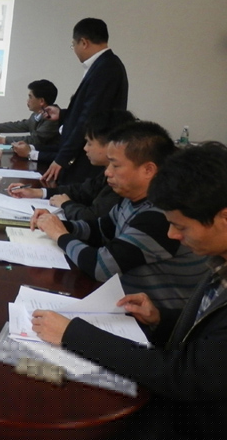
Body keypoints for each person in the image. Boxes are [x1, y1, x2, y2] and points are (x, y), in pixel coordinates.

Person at [31, 142, 227, 440]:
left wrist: (73, 334)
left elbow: (184, 376)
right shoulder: (220, 261)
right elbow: (210, 341)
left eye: (181, 227)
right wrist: (161, 318)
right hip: (178, 419)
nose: (173, 236)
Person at [30, 121, 207, 309]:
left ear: (148, 170)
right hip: (127, 301)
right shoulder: (133, 199)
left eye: (115, 165)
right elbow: (100, 229)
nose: (107, 172)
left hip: (156, 317)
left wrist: (60, 235)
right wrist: (58, 224)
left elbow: (100, 267)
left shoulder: (160, 215)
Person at [40, 18, 128, 185]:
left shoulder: (106, 68)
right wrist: (63, 114)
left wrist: (62, 158)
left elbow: (89, 117)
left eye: (73, 45)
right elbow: (89, 109)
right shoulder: (103, 65)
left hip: (87, 159)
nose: (74, 50)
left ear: (84, 43)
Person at [8, 110, 135, 220]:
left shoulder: (122, 180)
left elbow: (94, 217)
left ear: (111, 144)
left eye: (89, 143)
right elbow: (82, 191)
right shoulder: (107, 172)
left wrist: (66, 205)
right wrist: (38, 192)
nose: (85, 148)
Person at [0, 79, 60, 148]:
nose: (27, 100)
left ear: (41, 101)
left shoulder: (52, 118)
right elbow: (19, 125)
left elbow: (36, 140)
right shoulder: (37, 114)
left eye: (30, 97)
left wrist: (3, 140)